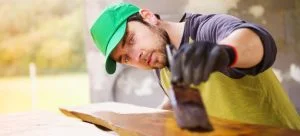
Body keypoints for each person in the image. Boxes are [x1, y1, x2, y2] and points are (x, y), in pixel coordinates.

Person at [90, 2, 300, 130]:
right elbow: (174, 100)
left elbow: (257, 43)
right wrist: (129, 124)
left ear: (148, 17)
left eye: (131, 40)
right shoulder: (161, 60)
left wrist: (225, 53)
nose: (136, 56)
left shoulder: (207, 29)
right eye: (125, 58)